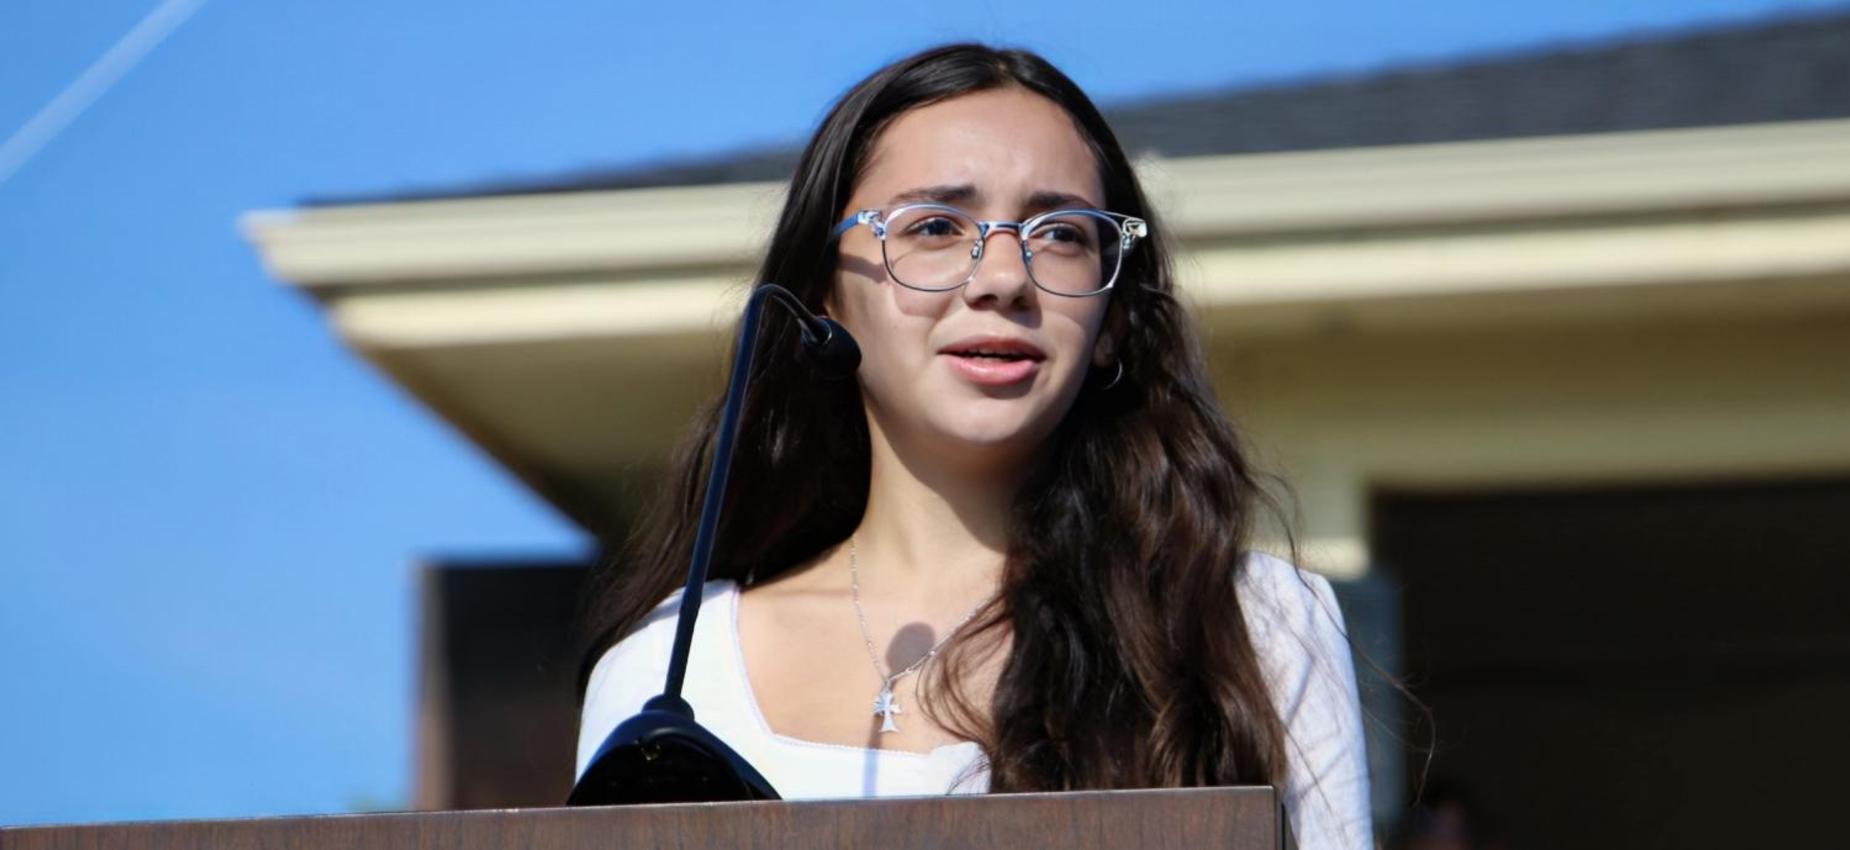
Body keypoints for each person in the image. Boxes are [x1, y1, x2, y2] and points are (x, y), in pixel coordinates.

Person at [574, 44, 1372, 849]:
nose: (1002, 278)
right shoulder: (669, 670)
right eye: (933, 226)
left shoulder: (1246, 621)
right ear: (826, 298)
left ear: (1113, 321)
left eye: (1060, 233)